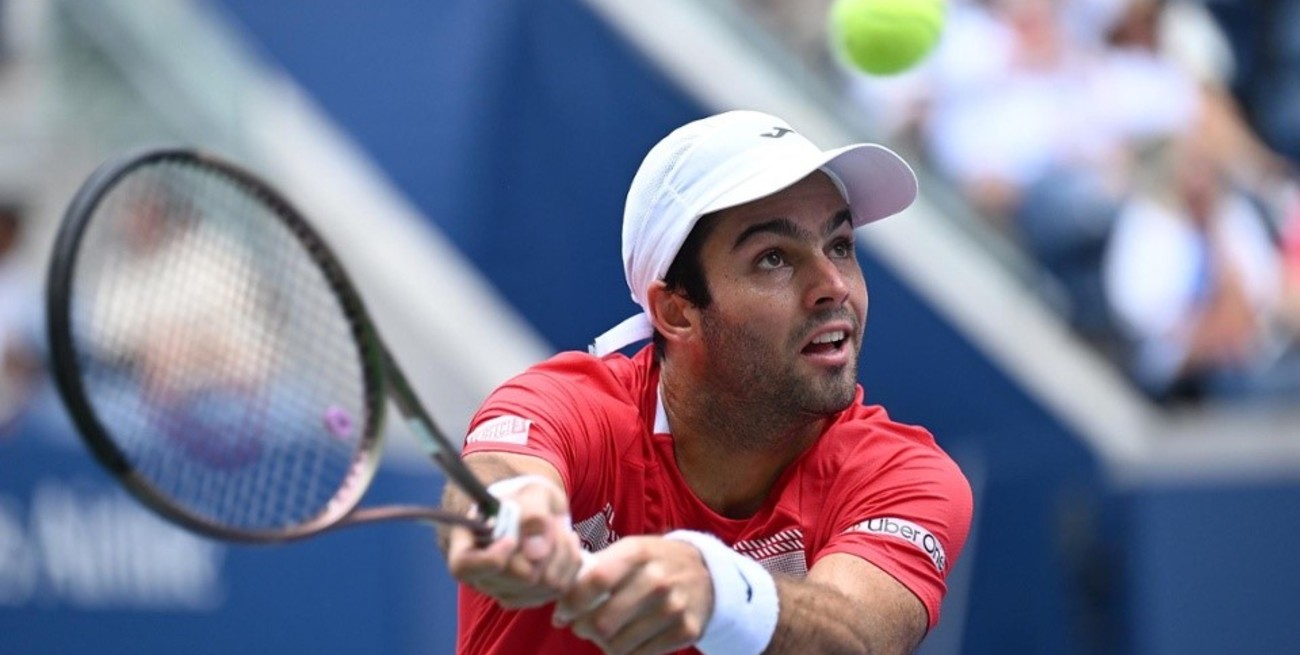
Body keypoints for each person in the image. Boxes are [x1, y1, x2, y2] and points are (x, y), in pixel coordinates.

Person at [438, 110, 974, 655]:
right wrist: (513, 510)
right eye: (773, 259)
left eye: (839, 245)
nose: (833, 286)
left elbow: (859, 635)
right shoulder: (571, 404)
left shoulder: (905, 475)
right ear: (676, 311)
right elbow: (498, 474)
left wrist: (718, 589)